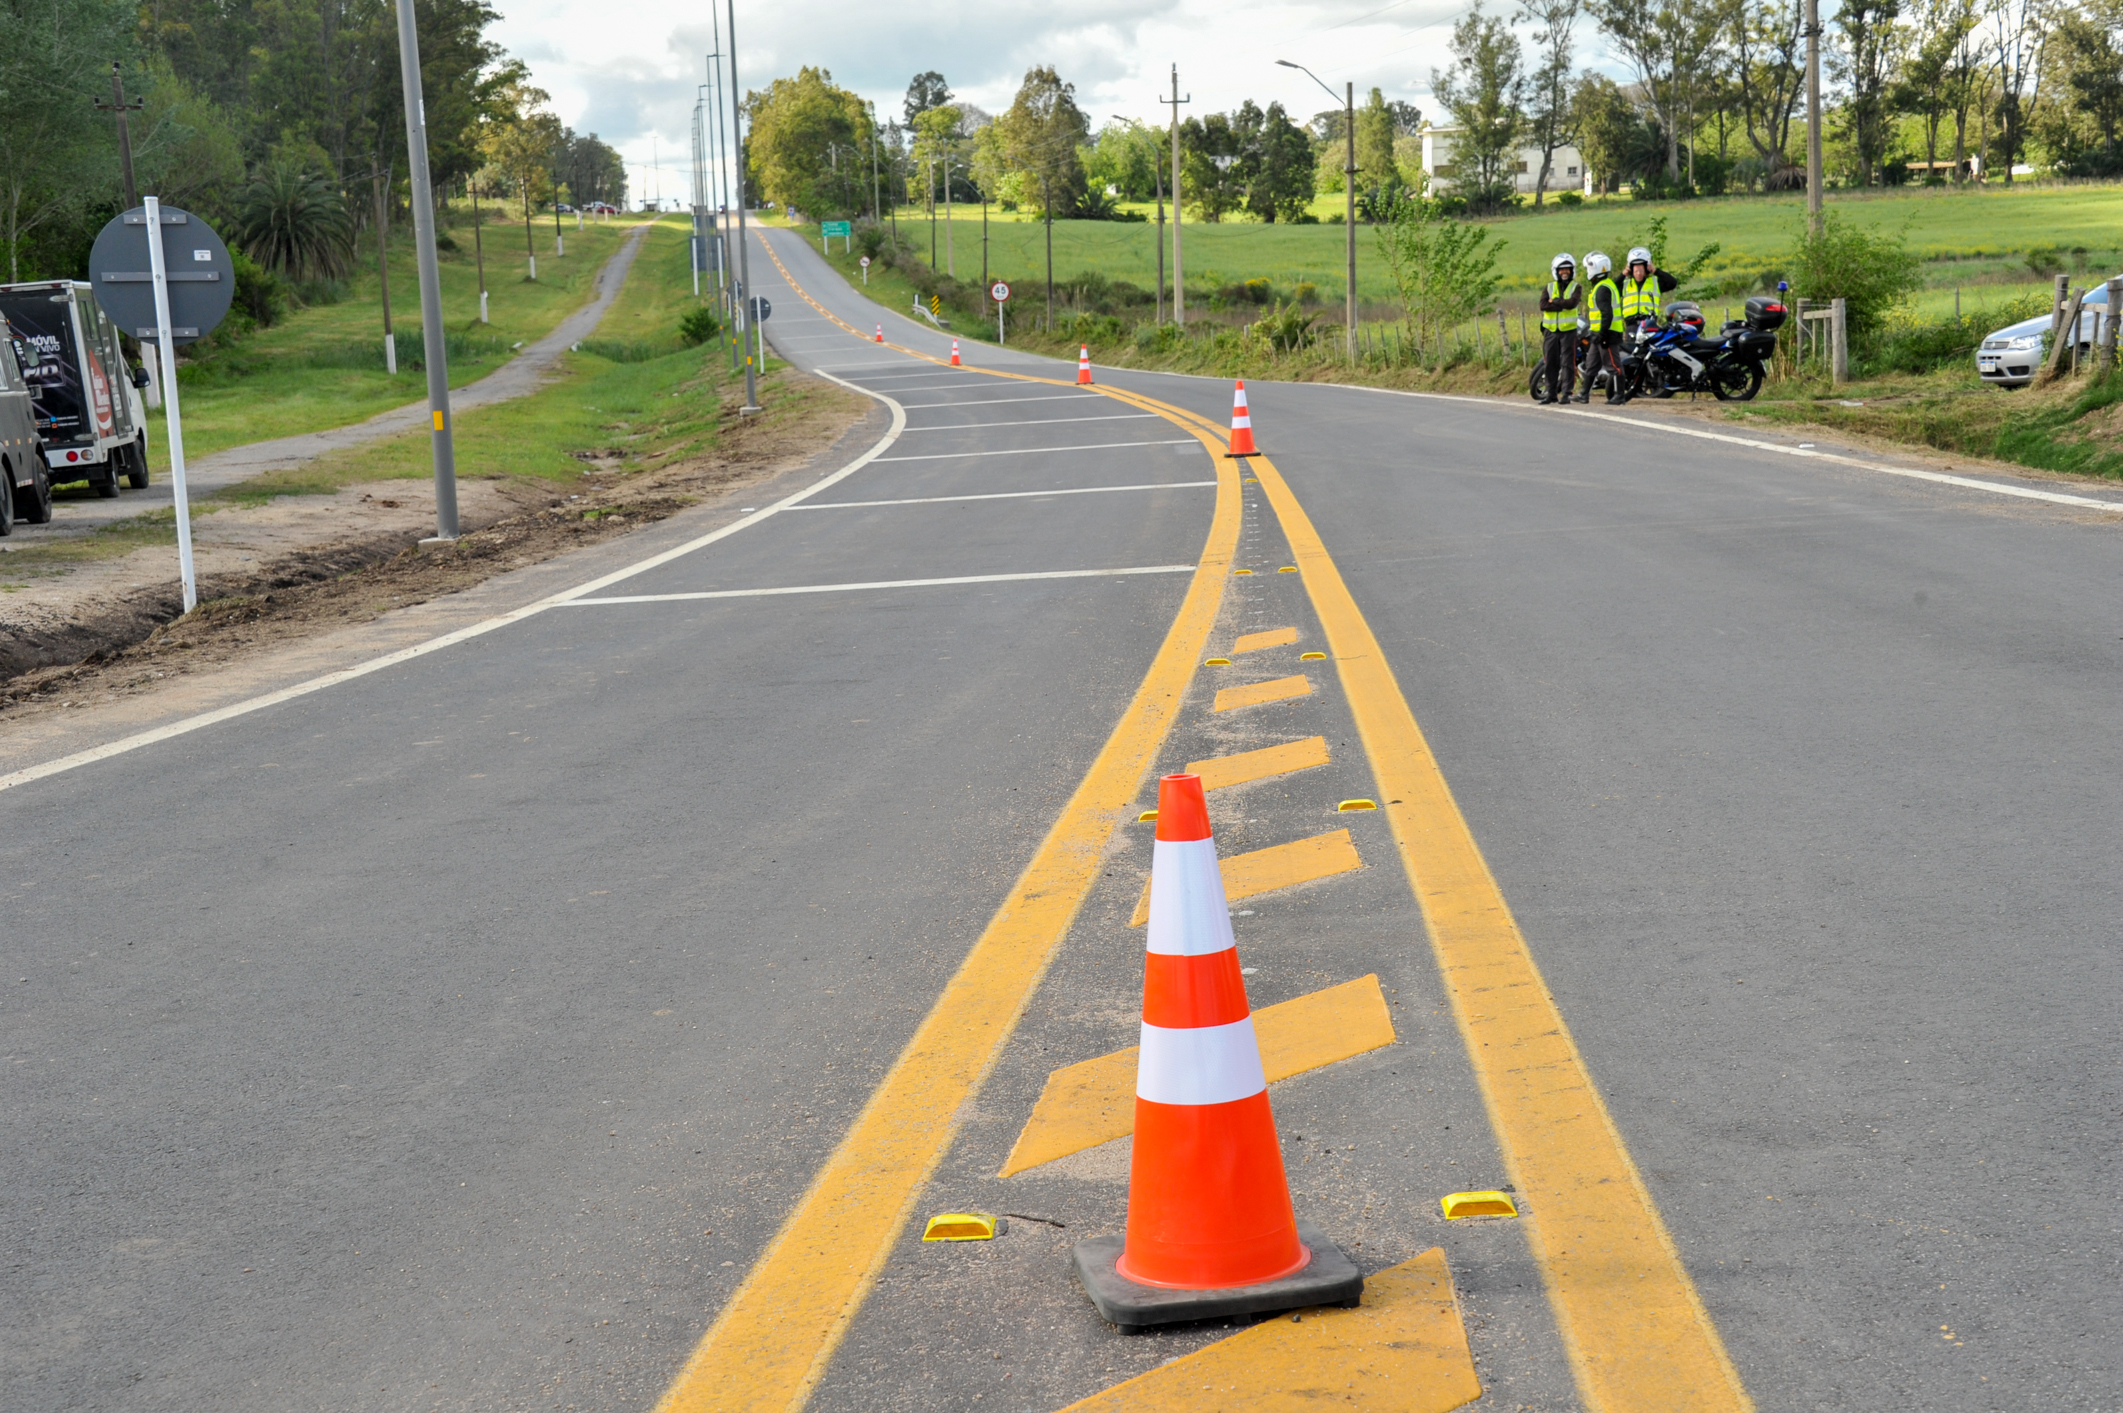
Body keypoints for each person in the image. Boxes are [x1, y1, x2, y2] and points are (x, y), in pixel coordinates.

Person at [1576, 250, 1625, 403]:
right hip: (1598, 334)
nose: (1587, 272)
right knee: (1591, 365)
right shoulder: (1604, 285)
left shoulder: (1602, 289)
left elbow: (1607, 314)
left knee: (1614, 366)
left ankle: (1620, 395)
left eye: (1588, 268)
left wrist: (1602, 335)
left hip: (1607, 334)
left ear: (1594, 269)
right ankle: (1584, 394)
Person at [1537, 253, 1581, 405]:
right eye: (1561, 269)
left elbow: (1572, 303)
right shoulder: (1549, 287)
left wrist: (1554, 301)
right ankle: (1551, 394)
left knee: (1568, 363)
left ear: (1572, 270)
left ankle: (1567, 394)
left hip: (1568, 331)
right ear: (1556, 271)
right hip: (1550, 331)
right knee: (1550, 363)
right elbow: (1543, 305)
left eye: (1567, 269)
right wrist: (1562, 304)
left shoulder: (1576, 287)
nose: (1564, 272)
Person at [1618, 246, 1678, 333]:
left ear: (1646, 270)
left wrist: (1656, 271)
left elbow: (1673, 283)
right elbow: (1610, 289)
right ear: (1631, 270)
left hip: (1649, 325)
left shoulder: (1655, 282)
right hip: (1631, 326)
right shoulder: (1625, 284)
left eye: (1641, 270)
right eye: (1636, 271)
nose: (1639, 273)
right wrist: (1623, 275)